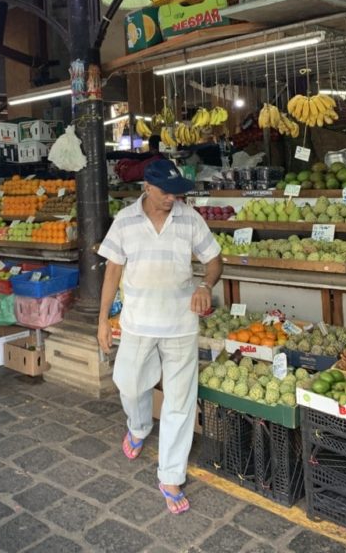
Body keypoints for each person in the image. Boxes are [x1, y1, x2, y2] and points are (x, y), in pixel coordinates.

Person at [97, 158, 222, 515]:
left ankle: (170, 475)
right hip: (137, 323)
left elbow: (214, 259)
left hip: (182, 324)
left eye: (176, 193)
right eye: (165, 192)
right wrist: (103, 319)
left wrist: (205, 284)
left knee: (180, 402)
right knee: (129, 382)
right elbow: (111, 273)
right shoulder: (124, 221)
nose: (171, 199)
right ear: (147, 188)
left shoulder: (189, 219)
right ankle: (137, 426)